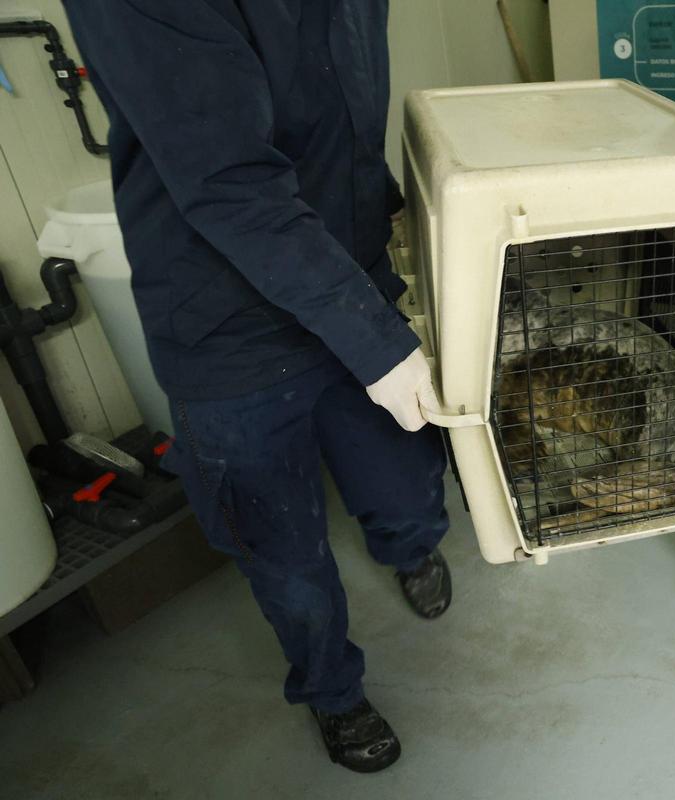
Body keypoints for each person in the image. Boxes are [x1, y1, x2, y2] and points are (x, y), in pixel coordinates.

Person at [62, 0, 449, 772]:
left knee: (406, 474)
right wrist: (378, 346)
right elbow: (230, 181)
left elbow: (344, 104)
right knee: (283, 552)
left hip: (347, 273)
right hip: (227, 325)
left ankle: (411, 548)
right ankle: (333, 691)